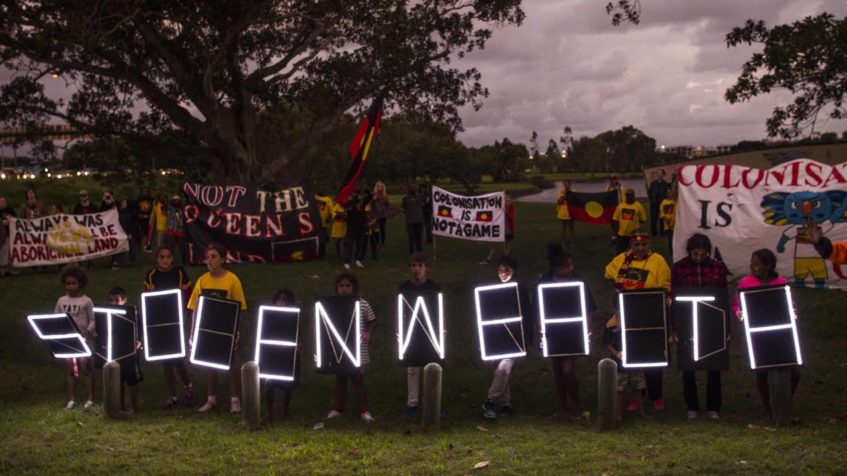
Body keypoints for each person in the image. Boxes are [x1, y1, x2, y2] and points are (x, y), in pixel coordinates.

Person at [604, 231, 671, 412]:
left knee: (653, 356)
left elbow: (665, 285)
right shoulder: (622, 259)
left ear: (649, 245)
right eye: (636, 245)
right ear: (631, 246)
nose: (640, 248)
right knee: (633, 356)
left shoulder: (658, 260)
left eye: (643, 245)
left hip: (650, 313)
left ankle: (656, 395)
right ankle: (636, 396)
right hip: (628, 314)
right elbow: (609, 273)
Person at [732, 248, 800, 420]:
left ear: (768, 266)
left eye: (756, 264)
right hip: (756, 333)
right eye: (752, 263)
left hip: (780, 332)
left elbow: (789, 303)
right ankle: (767, 405)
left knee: (794, 369)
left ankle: (782, 400)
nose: (752, 266)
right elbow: (736, 304)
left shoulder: (781, 282)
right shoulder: (746, 283)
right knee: (761, 370)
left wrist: (793, 313)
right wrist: (739, 313)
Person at [671, 233, 729, 420]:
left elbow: (723, 297)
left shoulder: (717, 268)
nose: (698, 258)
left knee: (714, 364)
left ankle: (714, 406)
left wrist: (725, 327)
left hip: (711, 318)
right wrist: (675, 325)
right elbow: (674, 296)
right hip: (687, 318)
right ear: (689, 251)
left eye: (702, 254)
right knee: (688, 365)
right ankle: (692, 406)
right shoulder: (679, 268)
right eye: (695, 254)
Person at [538, 244, 598, 420]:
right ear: (556, 267)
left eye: (571, 265)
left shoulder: (578, 281)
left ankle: (577, 406)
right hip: (553, 330)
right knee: (557, 369)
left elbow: (589, 308)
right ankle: (563, 407)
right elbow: (537, 308)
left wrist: (588, 330)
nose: (570, 268)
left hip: (573, 330)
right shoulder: (545, 281)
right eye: (566, 266)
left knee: (567, 370)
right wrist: (540, 330)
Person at [187, 244, 247, 413]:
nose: (210, 260)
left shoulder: (232, 280)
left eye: (214, 256)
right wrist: (192, 333)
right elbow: (195, 308)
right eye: (208, 257)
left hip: (227, 328)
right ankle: (211, 399)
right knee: (209, 362)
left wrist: (236, 331)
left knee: (231, 362)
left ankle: (235, 400)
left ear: (222, 259)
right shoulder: (202, 280)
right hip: (207, 327)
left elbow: (240, 308)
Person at [144, 245, 195, 408]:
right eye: (162, 257)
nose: (165, 260)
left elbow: (189, 296)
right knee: (164, 359)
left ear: (172, 258)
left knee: (177, 359)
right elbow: (148, 298)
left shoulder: (180, 273)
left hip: (177, 320)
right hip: (159, 321)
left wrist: (186, 315)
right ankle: (172, 395)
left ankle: (189, 386)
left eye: (168, 257)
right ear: (157, 259)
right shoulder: (151, 275)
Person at [482, 255, 533, 419]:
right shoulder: (494, 289)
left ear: (515, 271)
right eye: (500, 270)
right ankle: (506, 405)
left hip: (515, 337)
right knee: (500, 371)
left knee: (504, 368)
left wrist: (527, 339)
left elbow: (527, 314)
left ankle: (490, 400)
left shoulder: (520, 289)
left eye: (507, 270)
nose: (503, 273)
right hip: (496, 336)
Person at [324, 272, 377, 423]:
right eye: (341, 286)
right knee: (340, 379)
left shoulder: (362, 304)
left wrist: (368, 333)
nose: (344, 289)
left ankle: (363, 410)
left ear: (354, 288)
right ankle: (338, 408)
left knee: (357, 380)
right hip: (339, 349)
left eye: (348, 286)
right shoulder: (334, 305)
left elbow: (372, 320)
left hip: (357, 349)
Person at [398, 252, 441, 416]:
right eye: (413, 265)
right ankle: (412, 402)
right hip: (411, 330)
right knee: (412, 367)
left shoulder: (434, 288)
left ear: (426, 268)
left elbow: (439, 309)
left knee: (432, 366)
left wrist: (441, 329)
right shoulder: (404, 288)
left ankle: (434, 401)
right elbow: (399, 308)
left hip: (430, 331)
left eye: (419, 265)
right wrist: (398, 328)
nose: (416, 269)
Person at [55, 264, 96, 410]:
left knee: (86, 365)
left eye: (73, 283)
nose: (70, 286)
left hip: (84, 339)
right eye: (68, 283)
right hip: (69, 339)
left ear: (80, 283)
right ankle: (72, 398)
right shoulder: (61, 301)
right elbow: (57, 318)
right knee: (71, 368)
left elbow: (92, 319)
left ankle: (90, 398)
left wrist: (89, 331)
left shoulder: (86, 301)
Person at [264, 288, 300, 423]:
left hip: (287, 353)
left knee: (288, 383)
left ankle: (284, 409)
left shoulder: (293, 316)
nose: (281, 302)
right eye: (278, 298)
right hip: (272, 353)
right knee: (268, 382)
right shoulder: (269, 315)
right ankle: (269, 411)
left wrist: (298, 344)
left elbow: (297, 334)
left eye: (284, 299)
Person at [106, 287, 143, 413]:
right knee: (118, 379)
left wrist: (139, 342)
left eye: (117, 300)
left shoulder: (133, 314)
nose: (113, 303)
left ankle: (134, 406)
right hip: (116, 350)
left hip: (130, 352)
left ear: (124, 300)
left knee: (131, 380)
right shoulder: (107, 315)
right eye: (111, 300)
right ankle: (120, 406)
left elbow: (140, 329)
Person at [481, 194, 516, 264]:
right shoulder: (498, 208)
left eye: (508, 200)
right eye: (505, 200)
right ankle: (489, 258)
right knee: (493, 243)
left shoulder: (512, 209)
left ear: (511, 201)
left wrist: (505, 212)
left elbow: (510, 216)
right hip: (497, 229)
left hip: (507, 229)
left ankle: (506, 258)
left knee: (507, 244)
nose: (507, 202)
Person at [611, 189, 648, 255]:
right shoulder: (620, 206)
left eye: (630, 196)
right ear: (625, 196)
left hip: (634, 234)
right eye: (627, 196)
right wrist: (616, 231)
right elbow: (615, 219)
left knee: (633, 252)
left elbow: (643, 220)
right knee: (620, 252)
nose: (629, 197)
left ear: (633, 196)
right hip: (622, 234)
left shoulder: (639, 206)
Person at [342, 190, 368, 269]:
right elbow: (345, 207)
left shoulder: (362, 202)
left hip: (360, 226)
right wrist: (352, 203)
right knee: (349, 244)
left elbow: (369, 197)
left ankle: (358, 259)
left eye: (356, 194)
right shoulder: (349, 203)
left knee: (359, 243)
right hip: (351, 226)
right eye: (353, 193)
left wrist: (367, 191)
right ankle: (347, 261)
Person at [402, 184, 425, 255]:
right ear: (409, 189)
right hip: (410, 222)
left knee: (419, 238)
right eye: (412, 187)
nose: (414, 188)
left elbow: (427, 200)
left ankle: (420, 253)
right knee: (411, 238)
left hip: (419, 221)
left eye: (415, 187)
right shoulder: (405, 198)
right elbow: (404, 207)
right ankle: (411, 254)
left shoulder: (420, 196)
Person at [164, 194, 186, 266]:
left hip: (180, 231)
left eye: (178, 200)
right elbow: (163, 205)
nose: (176, 202)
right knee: (170, 248)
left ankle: (184, 261)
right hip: (171, 231)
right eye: (175, 200)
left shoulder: (182, 209)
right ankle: (170, 262)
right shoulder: (169, 208)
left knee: (182, 248)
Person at [648, 170, 671, 236]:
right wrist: (651, 199)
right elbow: (649, 192)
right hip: (654, 204)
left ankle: (662, 232)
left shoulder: (665, 184)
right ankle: (654, 233)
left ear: (663, 175)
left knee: (662, 219)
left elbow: (667, 194)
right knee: (653, 219)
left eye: (660, 173)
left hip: (662, 205)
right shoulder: (653, 183)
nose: (659, 175)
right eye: (658, 173)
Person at [117, 198, 138, 267]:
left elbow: (135, 224)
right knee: (120, 248)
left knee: (132, 248)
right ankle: (120, 262)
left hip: (130, 233)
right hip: (121, 233)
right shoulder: (119, 212)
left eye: (124, 203)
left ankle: (132, 262)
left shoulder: (133, 213)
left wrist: (131, 233)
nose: (122, 204)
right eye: (122, 202)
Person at [0, 197, 18, 277]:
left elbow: (16, 219)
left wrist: (10, 221)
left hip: (10, 233)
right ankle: (3, 270)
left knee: (8, 253)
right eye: (1, 201)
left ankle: (7, 270)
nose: (3, 202)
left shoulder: (10, 210)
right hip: (1, 235)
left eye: (4, 201)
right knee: (3, 252)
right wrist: (2, 222)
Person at [314, 191, 334, 259]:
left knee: (322, 238)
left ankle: (322, 252)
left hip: (323, 223)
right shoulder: (314, 197)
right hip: (314, 222)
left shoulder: (328, 199)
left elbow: (331, 211)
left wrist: (329, 218)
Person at [556, 180, 575, 247]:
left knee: (571, 228)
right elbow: (558, 202)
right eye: (566, 184)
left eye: (568, 184)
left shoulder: (574, 191)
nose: (567, 185)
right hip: (563, 212)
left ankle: (572, 241)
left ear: (570, 184)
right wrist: (563, 197)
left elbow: (576, 201)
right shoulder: (560, 192)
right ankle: (563, 242)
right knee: (563, 228)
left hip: (571, 212)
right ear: (564, 185)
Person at [659, 186, 676, 256]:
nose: (670, 194)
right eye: (668, 192)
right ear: (666, 194)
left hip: (675, 226)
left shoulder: (675, 201)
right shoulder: (663, 202)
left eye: (671, 192)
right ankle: (672, 255)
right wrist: (666, 220)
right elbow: (662, 214)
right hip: (668, 227)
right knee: (670, 242)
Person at [372, 181, 390, 248]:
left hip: (383, 214)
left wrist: (384, 200)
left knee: (382, 228)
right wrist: (374, 199)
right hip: (376, 214)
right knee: (376, 229)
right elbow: (371, 204)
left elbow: (387, 204)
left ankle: (382, 243)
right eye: (379, 186)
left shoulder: (385, 195)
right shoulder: (374, 195)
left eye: (381, 186)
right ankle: (376, 242)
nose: (380, 188)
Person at [136, 187, 154, 252]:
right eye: (143, 191)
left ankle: (147, 247)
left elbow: (154, 209)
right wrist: (138, 214)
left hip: (149, 220)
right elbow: (135, 209)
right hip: (140, 220)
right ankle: (139, 247)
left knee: (148, 235)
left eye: (146, 191)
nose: (145, 193)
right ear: (141, 192)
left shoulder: (152, 200)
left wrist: (151, 215)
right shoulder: (138, 200)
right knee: (140, 234)